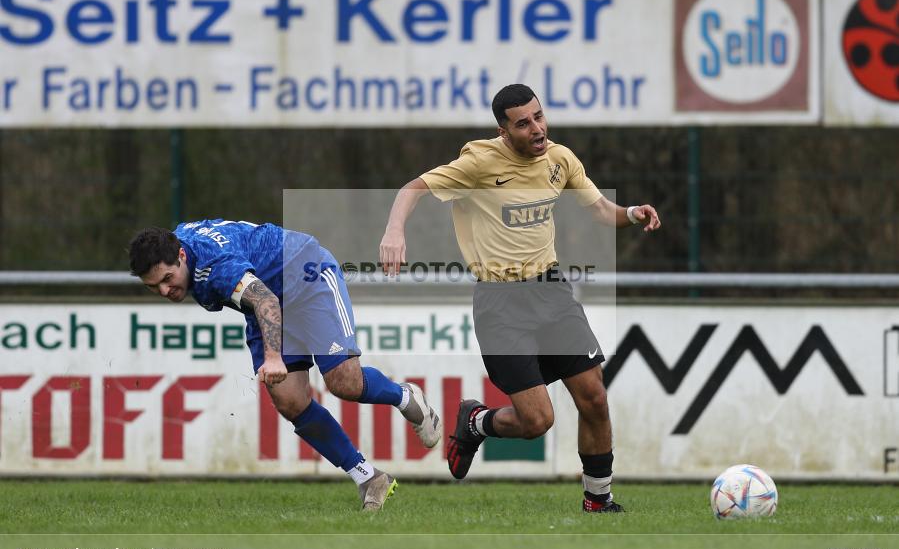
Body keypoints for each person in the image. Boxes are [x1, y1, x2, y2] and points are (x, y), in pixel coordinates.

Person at [379, 84, 660, 513]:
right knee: (537, 421)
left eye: (539, 117)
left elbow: (601, 209)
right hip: (501, 304)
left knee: (594, 397)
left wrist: (632, 214)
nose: (537, 129)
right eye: (524, 123)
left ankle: (598, 500)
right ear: (504, 131)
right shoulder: (478, 163)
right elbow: (412, 188)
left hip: (552, 292)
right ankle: (476, 423)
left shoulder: (560, 160)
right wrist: (394, 230)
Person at [128, 220, 441, 511]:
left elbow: (265, 301)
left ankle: (405, 396)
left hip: (307, 277)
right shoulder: (175, 243)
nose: (165, 291)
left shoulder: (216, 266)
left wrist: (273, 357)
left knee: (344, 382)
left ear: (182, 255)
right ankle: (369, 478)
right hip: (269, 297)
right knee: (290, 400)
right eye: (154, 286)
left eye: (167, 279)